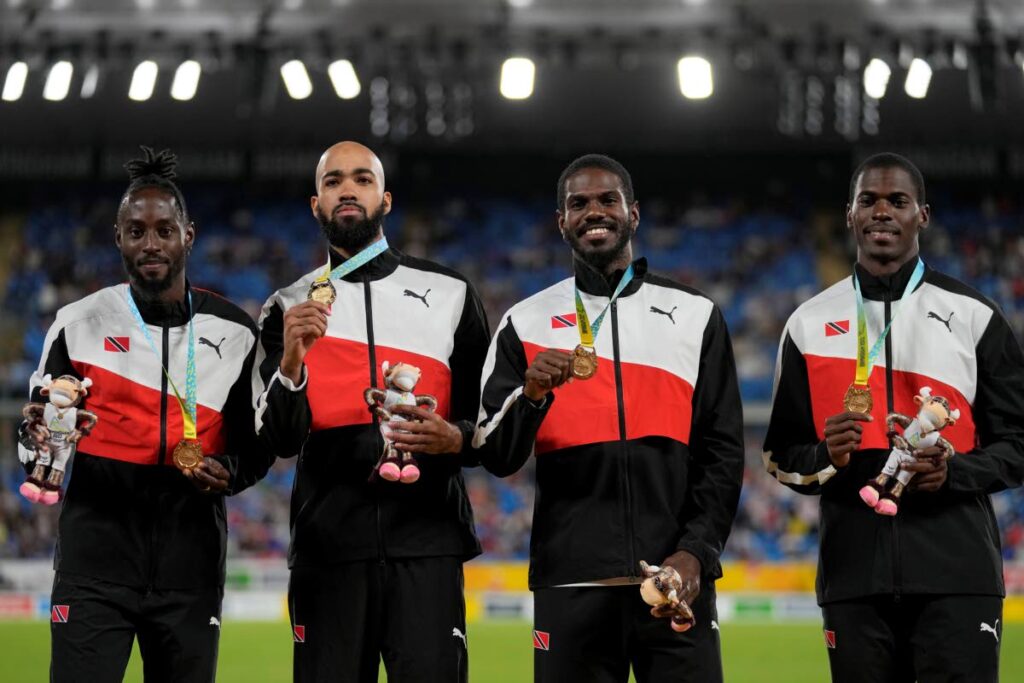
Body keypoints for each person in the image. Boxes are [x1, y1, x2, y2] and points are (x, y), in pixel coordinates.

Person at [473, 154, 745, 682]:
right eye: (579, 203)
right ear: (562, 221)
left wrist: (695, 554)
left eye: (607, 200)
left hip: (674, 579)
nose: (593, 211)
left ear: (633, 213)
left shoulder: (696, 315)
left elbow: (724, 452)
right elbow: (495, 455)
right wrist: (530, 395)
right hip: (571, 584)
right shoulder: (522, 322)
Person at [763, 152, 1024, 682]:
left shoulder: (976, 316)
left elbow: (1018, 444)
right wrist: (825, 457)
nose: (882, 211)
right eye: (869, 200)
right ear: (850, 215)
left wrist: (956, 474)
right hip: (854, 580)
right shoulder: (807, 324)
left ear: (921, 215)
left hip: (959, 575)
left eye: (897, 201)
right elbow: (780, 457)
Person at [17, 146, 269, 683]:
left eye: (163, 230)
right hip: (94, 568)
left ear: (188, 235)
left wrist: (232, 472)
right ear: (119, 239)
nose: (150, 243)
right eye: (136, 231)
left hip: (190, 571)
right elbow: (39, 440)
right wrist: (36, 439)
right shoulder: (76, 323)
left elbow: (255, 444)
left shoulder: (234, 332)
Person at [253, 140, 490, 682]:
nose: (348, 190)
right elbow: (281, 439)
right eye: (333, 181)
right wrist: (292, 360)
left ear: (386, 198)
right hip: (328, 552)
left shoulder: (449, 292)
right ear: (316, 204)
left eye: (362, 179)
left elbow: (487, 424)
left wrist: (455, 437)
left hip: (428, 547)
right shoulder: (287, 306)